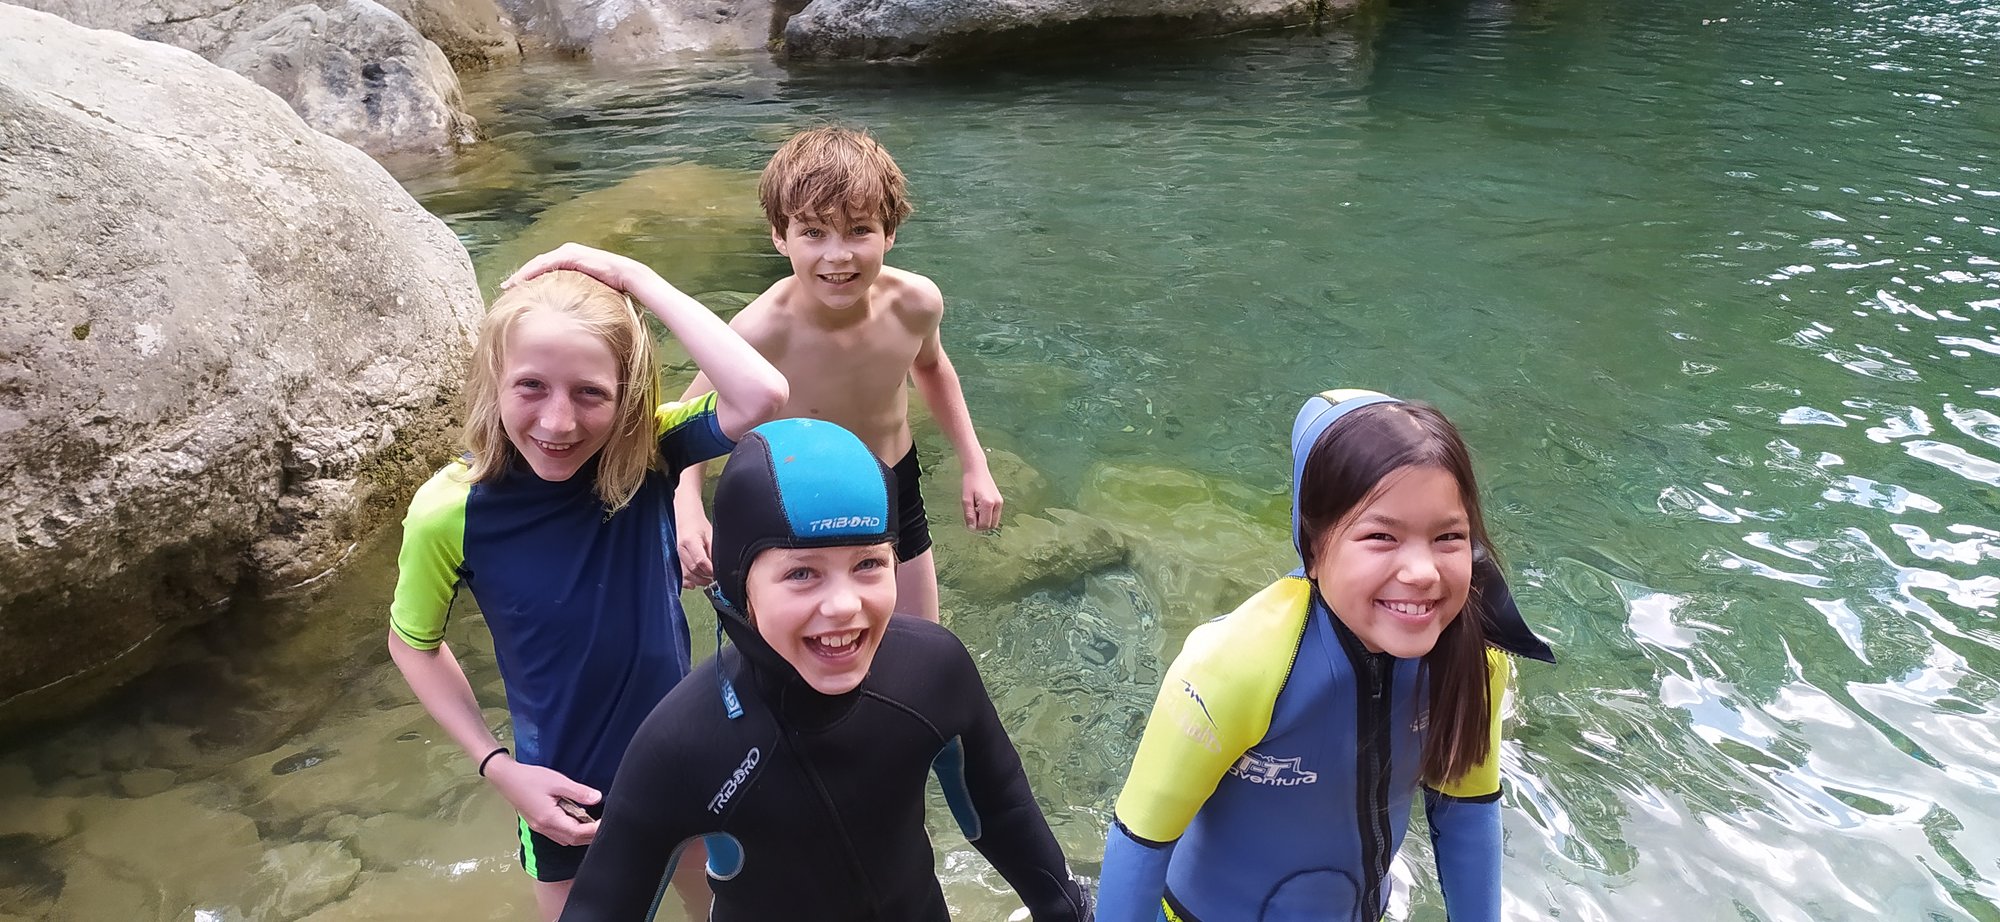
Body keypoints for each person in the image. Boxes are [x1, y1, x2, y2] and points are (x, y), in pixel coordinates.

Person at [386, 244, 788, 922]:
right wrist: (499, 768)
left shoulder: (649, 454)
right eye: (530, 386)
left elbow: (762, 393)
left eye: (590, 392)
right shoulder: (451, 509)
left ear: (628, 394)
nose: (558, 422)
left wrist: (634, 276)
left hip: (685, 761)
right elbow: (412, 643)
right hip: (562, 797)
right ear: (493, 380)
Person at [556, 418, 1092, 922]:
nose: (843, 606)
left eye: (869, 564)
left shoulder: (933, 671)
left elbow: (1005, 812)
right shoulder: (683, 744)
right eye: (802, 573)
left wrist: (1074, 912)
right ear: (739, 586)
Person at [1096, 388, 1557, 922]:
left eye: (1448, 536)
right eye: (1381, 536)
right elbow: (1141, 842)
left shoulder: (1471, 657)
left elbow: (1466, 817)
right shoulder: (1236, 664)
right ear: (1312, 548)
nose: (1422, 572)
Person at [672, 125, 1001, 622]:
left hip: (892, 479)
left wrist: (974, 463)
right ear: (779, 237)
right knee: (807, 638)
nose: (838, 255)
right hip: (798, 497)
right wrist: (687, 506)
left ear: (889, 233)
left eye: (859, 230)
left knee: (922, 638)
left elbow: (931, 366)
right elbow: (685, 421)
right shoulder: (762, 331)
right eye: (813, 233)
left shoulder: (915, 303)